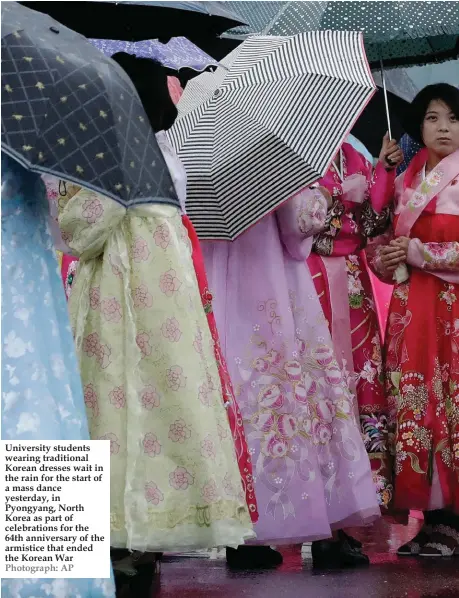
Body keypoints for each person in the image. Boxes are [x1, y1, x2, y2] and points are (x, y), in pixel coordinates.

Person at [51, 55, 255, 573]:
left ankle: (111, 534)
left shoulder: (105, 151)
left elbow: (81, 231)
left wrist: (64, 189)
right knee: (169, 403)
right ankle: (149, 534)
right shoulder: (166, 152)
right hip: (169, 300)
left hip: (119, 301)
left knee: (111, 406)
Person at [202, 177, 382, 569]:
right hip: (272, 284)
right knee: (292, 389)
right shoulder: (264, 158)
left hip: (215, 280)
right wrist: (317, 198)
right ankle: (325, 527)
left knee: (233, 387)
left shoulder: (200, 160)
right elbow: (300, 222)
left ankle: (241, 531)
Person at [1, 153, 117, 598]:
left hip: (25, 291)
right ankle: (52, 575)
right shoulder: (25, 143)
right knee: (41, 405)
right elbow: (58, 231)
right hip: (30, 296)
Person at [369, 83, 459, 557]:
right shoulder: (408, 177)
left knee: (449, 400)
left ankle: (452, 519)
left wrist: (419, 253)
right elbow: (381, 234)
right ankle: (430, 516)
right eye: (432, 118)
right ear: (418, 127)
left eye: (452, 118)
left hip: (451, 310)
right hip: (412, 308)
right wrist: (389, 258)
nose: (443, 127)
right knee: (414, 401)